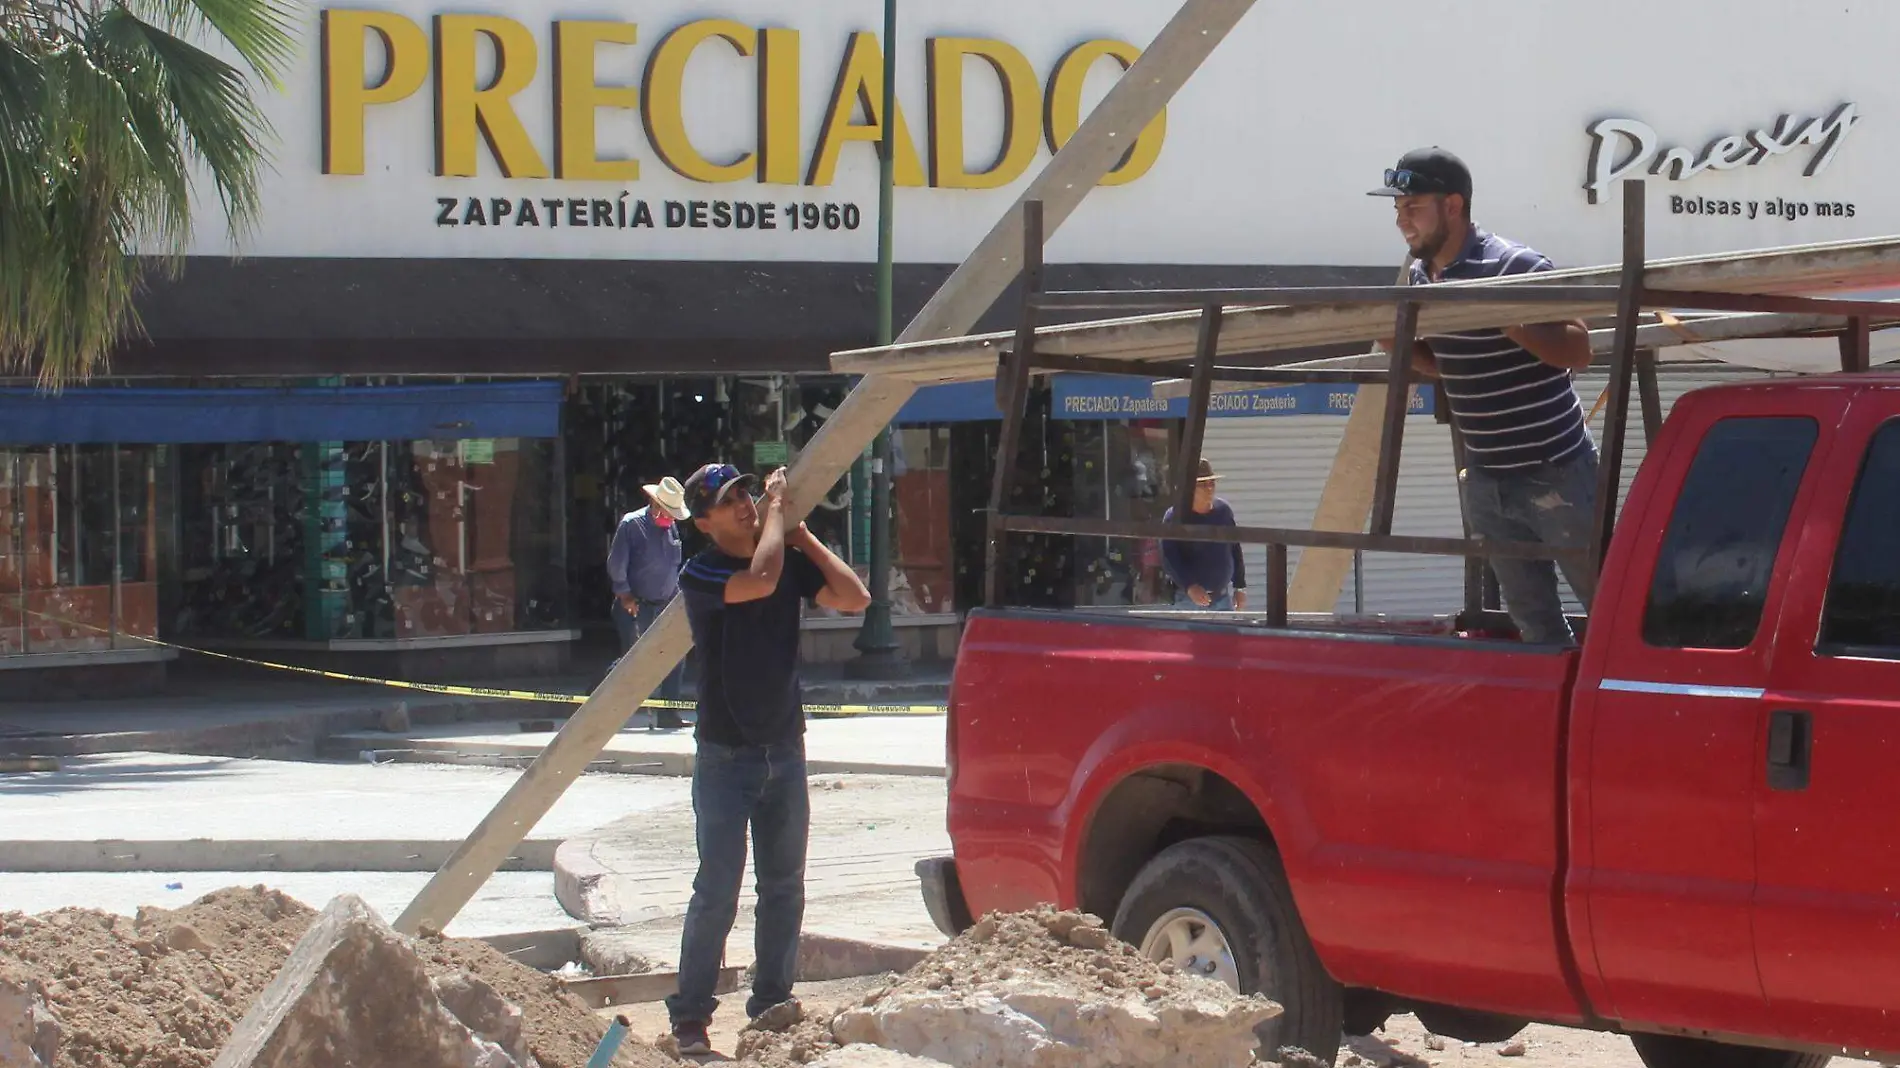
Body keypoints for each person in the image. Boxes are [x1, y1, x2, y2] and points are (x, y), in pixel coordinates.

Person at [664, 461, 871, 1057]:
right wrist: (781, 512)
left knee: (784, 887)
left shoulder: (782, 550)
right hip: (726, 757)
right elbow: (759, 580)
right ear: (704, 522)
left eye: (745, 494)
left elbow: (856, 598)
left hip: (785, 747)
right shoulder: (700, 572)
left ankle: (772, 1007)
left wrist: (803, 532)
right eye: (728, 501)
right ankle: (691, 1019)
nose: (745, 505)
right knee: (718, 890)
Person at [1368, 146, 1598, 644]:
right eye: (1398, 211)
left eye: (1413, 208)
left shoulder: (1513, 264)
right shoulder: (1419, 277)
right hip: (1489, 481)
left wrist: (1506, 320)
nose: (1402, 222)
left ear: (1453, 206)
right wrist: (1403, 351)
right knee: (1532, 619)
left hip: (1556, 472)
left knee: (1608, 606)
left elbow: (1579, 348)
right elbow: (1453, 369)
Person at [606, 475, 691, 727]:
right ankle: (599, 699)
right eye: (668, 512)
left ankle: (669, 714)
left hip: (666, 603)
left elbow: (671, 565)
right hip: (637, 604)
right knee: (634, 663)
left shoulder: (671, 527)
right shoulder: (632, 525)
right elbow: (616, 565)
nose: (671, 518)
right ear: (655, 505)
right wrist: (625, 595)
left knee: (675, 656)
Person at [1160, 458, 1248, 611]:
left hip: (1221, 597)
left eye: (1211, 483)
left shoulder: (1224, 511)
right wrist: (1189, 586)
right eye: (1202, 485)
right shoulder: (1174, 517)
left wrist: (1240, 587)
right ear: (1189, 490)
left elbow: (1234, 548)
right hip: (1188, 600)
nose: (1209, 489)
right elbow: (1169, 558)